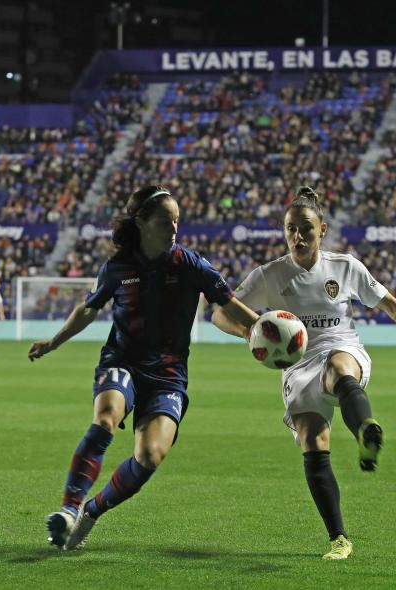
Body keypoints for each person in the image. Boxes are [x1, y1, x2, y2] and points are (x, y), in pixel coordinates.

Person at [211, 186, 396, 561]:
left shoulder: (345, 267)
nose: (298, 236)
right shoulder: (269, 275)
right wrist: (250, 332)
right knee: (313, 440)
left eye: (306, 229)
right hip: (296, 364)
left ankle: (364, 431)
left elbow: (389, 304)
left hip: (341, 346)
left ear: (322, 230)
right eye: (291, 229)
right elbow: (219, 313)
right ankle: (339, 538)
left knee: (338, 368)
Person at [28, 185, 259, 551]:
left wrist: (262, 328)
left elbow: (228, 302)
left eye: (177, 221)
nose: (174, 228)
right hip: (122, 362)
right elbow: (89, 309)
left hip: (168, 377)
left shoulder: (190, 264)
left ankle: (91, 512)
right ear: (142, 223)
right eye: (167, 220)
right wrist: (54, 341)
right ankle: (68, 511)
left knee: (149, 456)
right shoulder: (118, 268)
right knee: (105, 418)